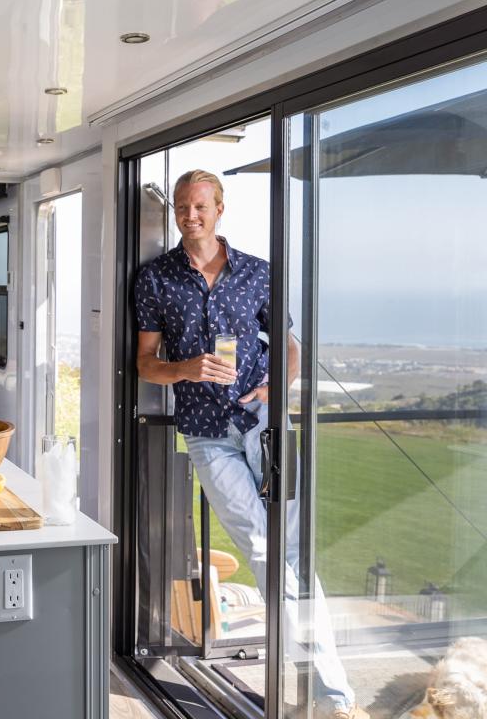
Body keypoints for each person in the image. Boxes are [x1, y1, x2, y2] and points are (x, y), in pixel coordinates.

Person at [133, 169, 368, 719]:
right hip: (207, 434)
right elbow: (145, 363)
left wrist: (274, 387)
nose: (190, 216)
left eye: (200, 206)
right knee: (263, 550)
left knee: (289, 552)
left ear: (219, 209)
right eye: (182, 208)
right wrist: (186, 367)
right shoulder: (154, 279)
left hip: (263, 423)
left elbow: (289, 348)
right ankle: (325, 690)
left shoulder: (258, 274)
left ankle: (332, 696)